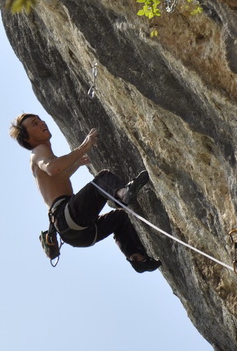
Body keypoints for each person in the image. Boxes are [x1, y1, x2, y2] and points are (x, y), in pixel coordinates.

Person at [9, 113, 161, 273]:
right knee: (102, 179)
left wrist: (76, 164)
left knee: (119, 219)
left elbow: (58, 177)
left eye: (39, 120)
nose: (41, 123)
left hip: (78, 235)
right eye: (34, 123)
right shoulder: (38, 151)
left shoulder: (41, 154)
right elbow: (53, 168)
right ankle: (124, 194)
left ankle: (137, 258)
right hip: (66, 218)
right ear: (27, 138)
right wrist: (84, 147)